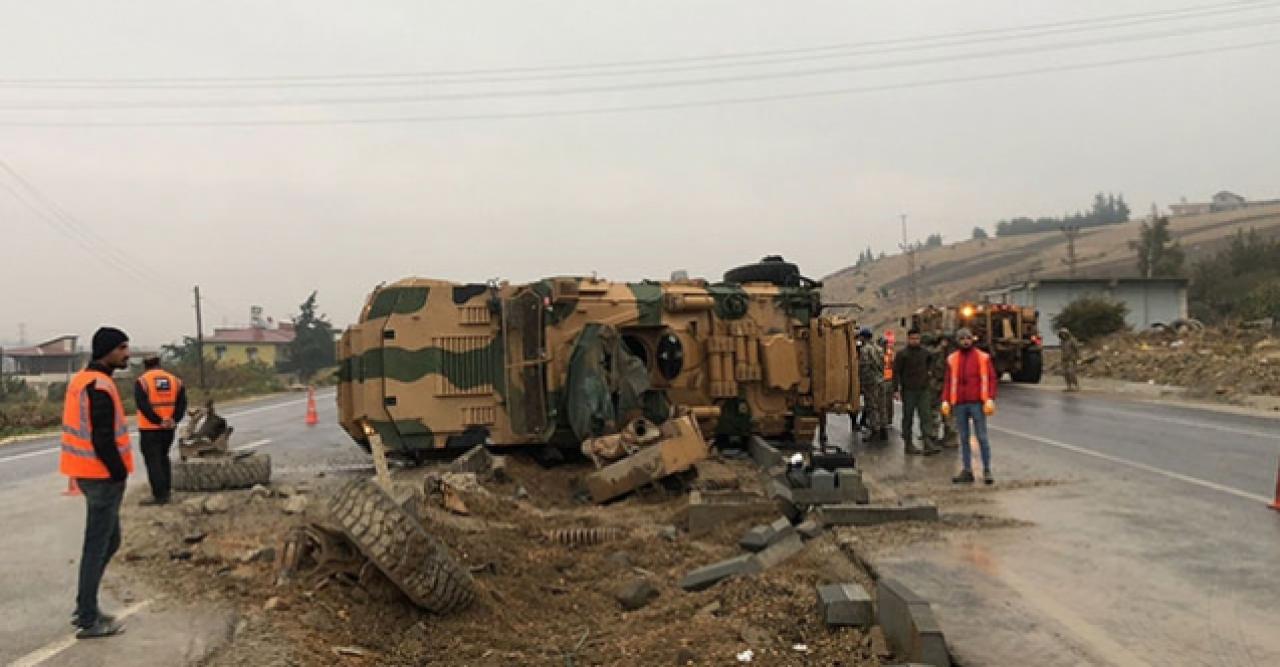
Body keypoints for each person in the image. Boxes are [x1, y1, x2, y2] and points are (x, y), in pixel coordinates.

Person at [61, 327, 134, 639]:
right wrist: (118, 472)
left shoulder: (84, 380)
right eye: (121, 348)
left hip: (88, 472)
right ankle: (88, 618)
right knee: (97, 544)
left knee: (109, 540)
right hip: (101, 476)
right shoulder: (99, 385)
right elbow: (102, 437)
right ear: (107, 351)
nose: (126, 353)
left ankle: (85, 606)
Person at [941, 327, 998, 485]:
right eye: (962, 338)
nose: (965, 341)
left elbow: (992, 379)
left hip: (977, 404)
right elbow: (948, 381)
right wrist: (945, 399)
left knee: (982, 437)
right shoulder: (952, 359)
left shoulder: (982, 358)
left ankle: (987, 470)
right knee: (964, 438)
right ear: (958, 341)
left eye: (968, 338)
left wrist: (990, 398)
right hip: (959, 404)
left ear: (972, 339)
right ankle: (967, 470)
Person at [134, 355, 187, 505]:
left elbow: (142, 405)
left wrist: (158, 421)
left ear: (145, 365)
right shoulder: (175, 380)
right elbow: (182, 404)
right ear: (159, 364)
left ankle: (159, 495)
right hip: (168, 429)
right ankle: (166, 491)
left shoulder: (142, 381)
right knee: (163, 457)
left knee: (153, 461)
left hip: (149, 428)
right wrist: (173, 420)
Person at [893, 328, 939, 456]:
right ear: (908, 339)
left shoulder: (925, 353)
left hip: (923, 389)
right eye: (912, 338)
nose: (915, 341)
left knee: (926, 416)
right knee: (908, 417)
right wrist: (895, 390)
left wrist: (929, 374)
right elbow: (896, 373)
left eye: (917, 338)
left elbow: (931, 364)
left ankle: (927, 442)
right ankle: (908, 443)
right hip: (909, 390)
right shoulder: (902, 354)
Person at [857, 328, 889, 442]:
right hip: (881, 380)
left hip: (871, 382)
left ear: (863, 337)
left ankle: (875, 430)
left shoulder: (865, 350)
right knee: (882, 406)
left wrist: (862, 381)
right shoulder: (879, 349)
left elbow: (864, 367)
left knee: (872, 406)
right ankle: (884, 430)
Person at [927, 333, 959, 447]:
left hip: (940, 383)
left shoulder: (944, 352)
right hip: (946, 383)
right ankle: (949, 438)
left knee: (936, 410)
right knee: (947, 411)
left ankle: (934, 436)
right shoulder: (953, 352)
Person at [1059, 327, 1081, 392]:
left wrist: (1078, 357)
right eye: (1061, 334)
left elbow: (1077, 349)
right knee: (1065, 374)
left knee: (1071, 373)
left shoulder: (1072, 340)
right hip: (1064, 359)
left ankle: (1077, 386)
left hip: (1072, 359)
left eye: (1064, 333)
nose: (1063, 335)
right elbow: (1062, 350)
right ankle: (1069, 387)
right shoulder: (1062, 342)